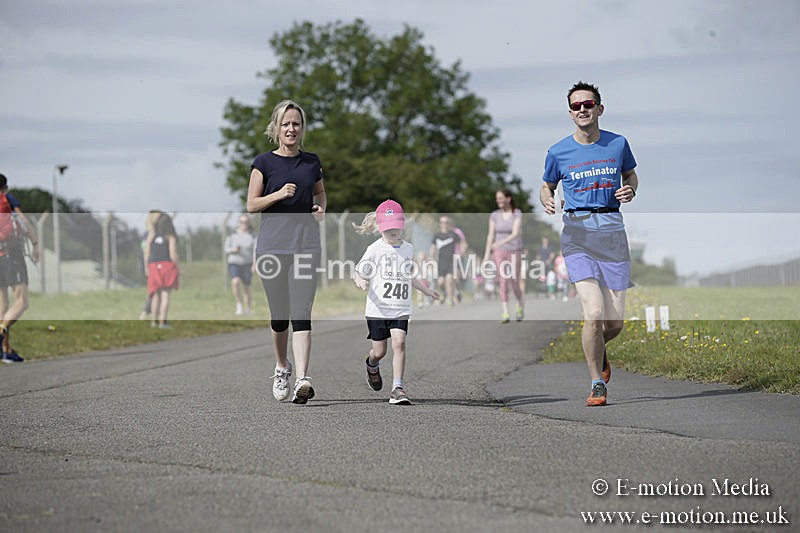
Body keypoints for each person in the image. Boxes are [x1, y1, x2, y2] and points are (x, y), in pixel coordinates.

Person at [540, 81, 638, 407]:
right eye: (577, 106)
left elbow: (631, 176)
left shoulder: (618, 144)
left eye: (588, 103)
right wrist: (547, 199)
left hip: (612, 233)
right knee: (593, 312)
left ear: (599, 108)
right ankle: (597, 381)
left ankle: (599, 348)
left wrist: (630, 190)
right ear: (570, 113)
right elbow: (546, 185)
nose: (583, 109)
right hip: (577, 234)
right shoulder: (558, 151)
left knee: (614, 323)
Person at [246, 99, 326, 405]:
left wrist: (320, 208)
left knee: (301, 313)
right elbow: (251, 204)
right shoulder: (263, 163)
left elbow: (320, 192)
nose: (291, 128)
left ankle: (303, 379)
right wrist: (278, 194)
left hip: (306, 245)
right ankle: (282, 367)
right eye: (286, 124)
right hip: (272, 247)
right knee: (279, 316)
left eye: (296, 124)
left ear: (302, 128)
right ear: (276, 128)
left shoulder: (312, 162)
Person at [353, 199, 439, 405]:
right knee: (379, 351)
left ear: (402, 226)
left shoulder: (408, 249)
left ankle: (397, 388)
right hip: (377, 310)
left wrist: (426, 290)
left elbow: (409, 275)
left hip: (400, 308)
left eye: (396, 227)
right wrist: (361, 280)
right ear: (380, 227)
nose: (392, 231)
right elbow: (358, 271)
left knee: (399, 343)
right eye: (388, 228)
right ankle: (371, 364)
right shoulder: (375, 249)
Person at [0, 173, 40, 363]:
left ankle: (6, 350)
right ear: (5, 187)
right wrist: (35, 243)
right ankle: (1, 334)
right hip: (11, 255)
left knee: (3, 306)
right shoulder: (7, 199)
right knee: (21, 302)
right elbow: (23, 221)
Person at [483, 189, 525, 323]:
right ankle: (505, 312)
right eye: (497, 199)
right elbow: (490, 235)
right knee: (503, 280)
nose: (498, 201)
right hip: (499, 251)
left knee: (514, 281)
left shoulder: (516, 213)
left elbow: (515, 233)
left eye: (501, 198)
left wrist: (500, 242)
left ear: (508, 198)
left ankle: (519, 304)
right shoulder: (494, 215)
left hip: (514, 249)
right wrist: (486, 254)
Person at [144, 211, 179, 329]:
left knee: (155, 295)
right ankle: (163, 321)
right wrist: (178, 267)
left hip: (153, 266)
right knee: (165, 295)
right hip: (167, 266)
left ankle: (154, 321)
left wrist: (146, 266)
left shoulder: (151, 235)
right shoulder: (170, 237)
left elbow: (147, 252)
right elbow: (173, 254)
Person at [224, 214, 255, 316]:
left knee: (247, 287)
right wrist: (233, 250)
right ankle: (239, 305)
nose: (244, 224)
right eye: (242, 222)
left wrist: (254, 264)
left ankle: (248, 308)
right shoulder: (232, 235)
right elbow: (226, 249)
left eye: (246, 222)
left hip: (247, 263)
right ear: (238, 223)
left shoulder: (252, 235)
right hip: (234, 262)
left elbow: (255, 250)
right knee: (235, 282)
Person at [428, 216, 460, 307]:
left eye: (446, 222)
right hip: (441, 261)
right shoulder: (437, 235)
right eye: (442, 222)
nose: (444, 224)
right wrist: (431, 258)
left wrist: (461, 252)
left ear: (449, 224)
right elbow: (432, 248)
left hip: (451, 261)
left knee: (449, 280)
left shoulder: (453, 234)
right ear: (440, 224)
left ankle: (450, 299)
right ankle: (445, 293)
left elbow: (461, 243)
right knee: (441, 282)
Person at [451, 223, 468, 303]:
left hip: (457, 255)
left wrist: (463, 250)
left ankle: (457, 291)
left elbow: (463, 242)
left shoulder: (457, 231)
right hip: (447, 257)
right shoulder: (443, 232)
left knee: (456, 276)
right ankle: (452, 294)